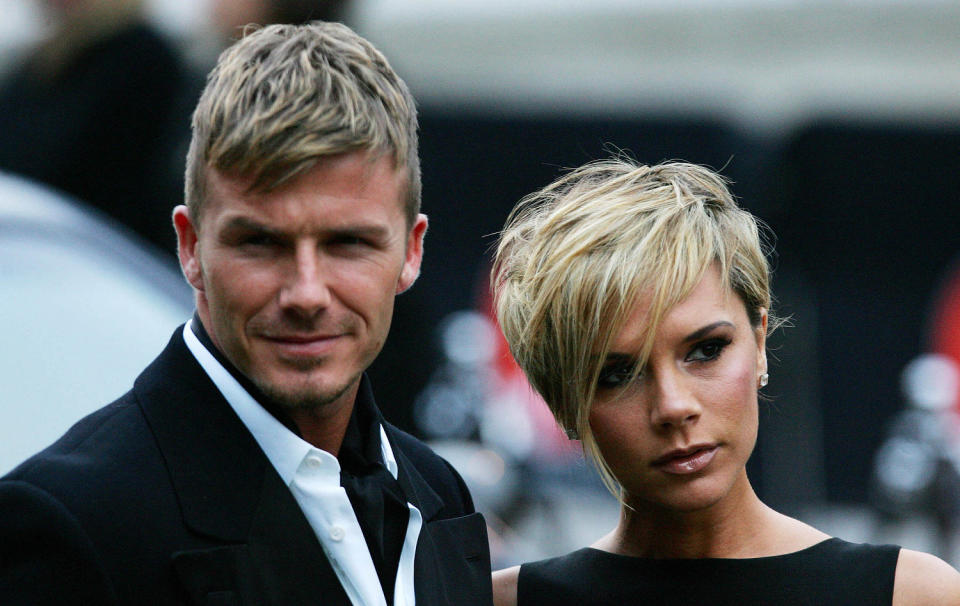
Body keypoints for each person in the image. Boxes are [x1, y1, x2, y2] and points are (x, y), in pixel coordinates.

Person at [0, 22, 492, 605]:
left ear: (411, 251)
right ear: (190, 248)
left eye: (347, 244)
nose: (306, 293)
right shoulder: (70, 524)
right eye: (260, 243)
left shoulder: (439, 495)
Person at [489, 158, 960, 605]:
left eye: (705, 350)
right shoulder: (499, 600)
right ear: (562, 404)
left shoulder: (910, 594)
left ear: (758, 341)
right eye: (616, 374)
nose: (673, 407)